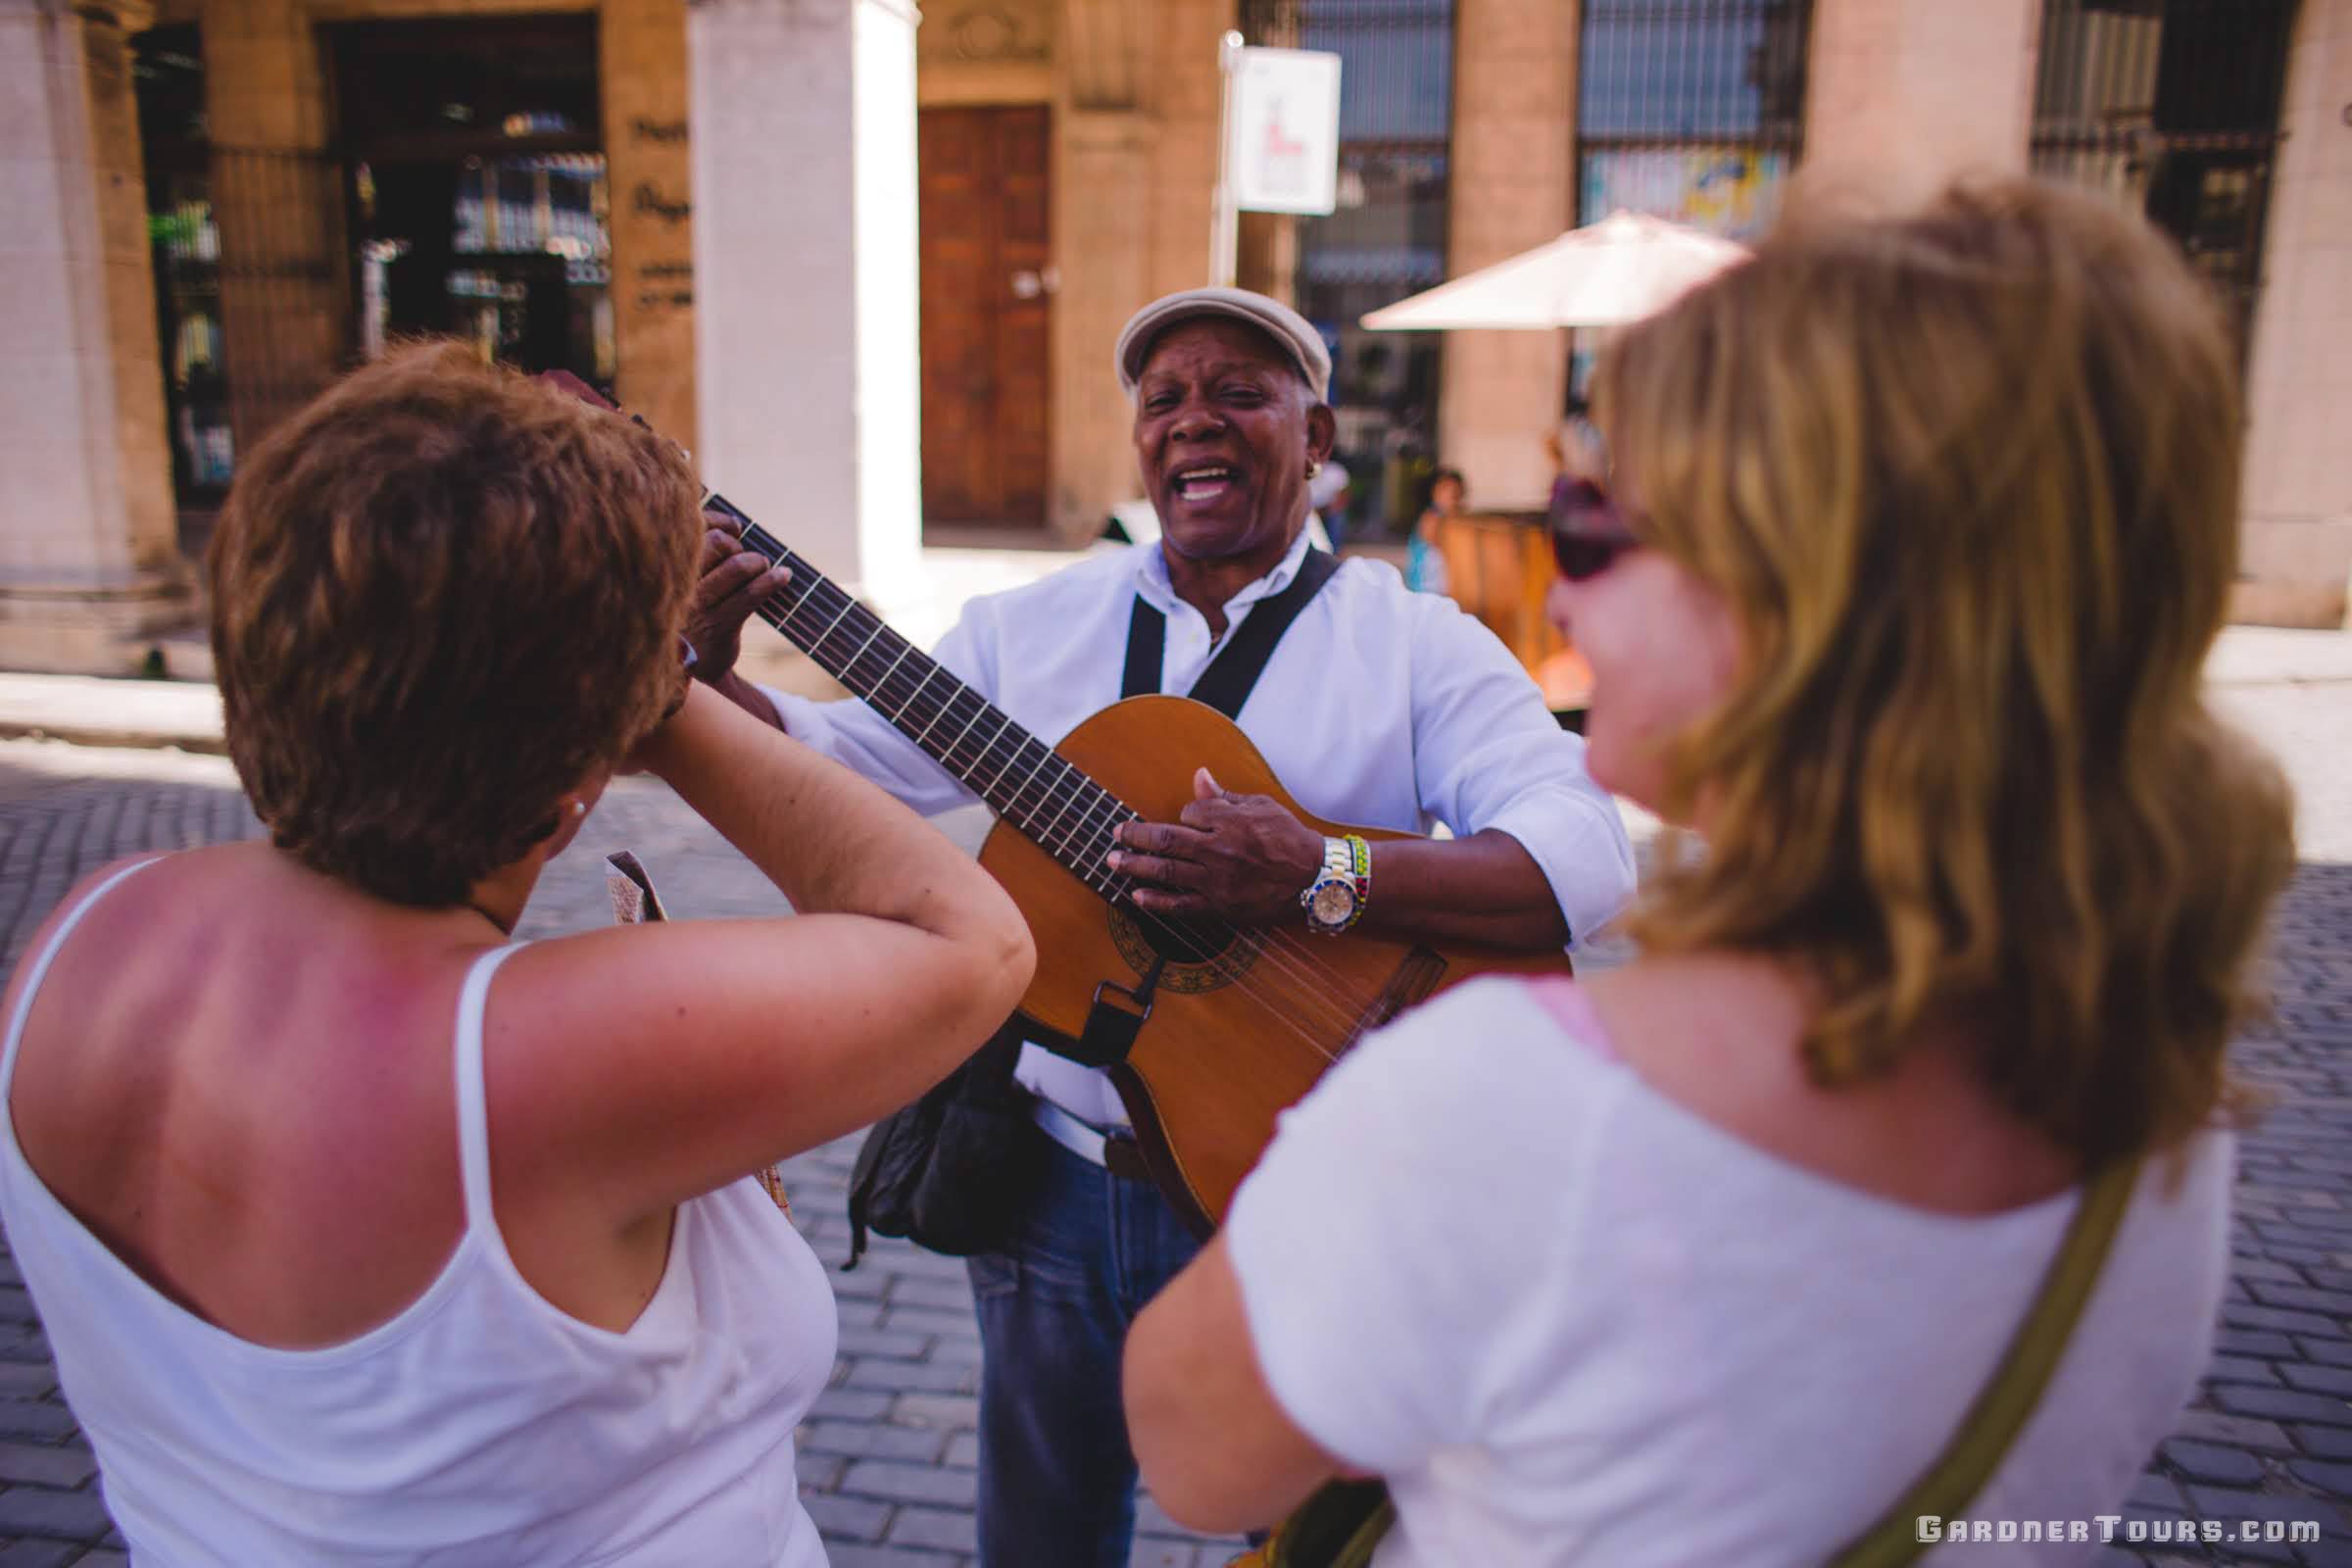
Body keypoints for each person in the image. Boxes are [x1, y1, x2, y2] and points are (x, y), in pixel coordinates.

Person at [1123, 181, 2295, 1562]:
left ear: (1807, 589)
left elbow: (1194, 1460)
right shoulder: (2162, 1084)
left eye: (1598, 522)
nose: (1562, 597)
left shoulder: (1506, 1101)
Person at [0, 344, 1035, 1565]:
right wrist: (654, 695)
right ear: (576, 777)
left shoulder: (84, 937)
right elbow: (971, 939)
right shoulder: (534, 1057)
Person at [688, 284, 1639, 1567]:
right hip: (1053, 1189)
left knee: (1301, 1538)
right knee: (1039, 1533)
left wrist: (1322, 870)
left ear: (1318, 435)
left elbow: (1582, 853)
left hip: (1309, 1188)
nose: (1197, 420)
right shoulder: (1037, 627)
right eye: (1165, 398)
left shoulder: (1415, 647)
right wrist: (712, 677)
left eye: (1241, 393)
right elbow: (836, 775)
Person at [1406, 466, 1465, 594]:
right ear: (1434, 492)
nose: (1452, 494)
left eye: (1456, 491)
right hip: (1427, 587)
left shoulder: (1451, 519)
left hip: (1441, 587)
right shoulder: (1431, 518)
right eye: (1446, 490)